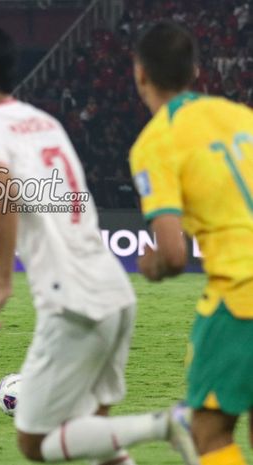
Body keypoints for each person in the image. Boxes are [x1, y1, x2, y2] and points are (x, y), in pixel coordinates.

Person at [0, 27, 198, 464]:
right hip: (114, 293)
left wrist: (2, 282)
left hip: (73, 303)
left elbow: (0, 186)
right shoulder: (46, 125)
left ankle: (167, 424)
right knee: (95, 437)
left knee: (35, 443)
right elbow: (44, 220)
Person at [130, 21, 253, 465]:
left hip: (242, 293)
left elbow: (175, 254)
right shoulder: (241, 116)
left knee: (209, 430)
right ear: (196, 71)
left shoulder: (155, 142)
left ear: (140, 73)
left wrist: (153, 264)